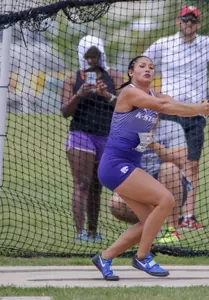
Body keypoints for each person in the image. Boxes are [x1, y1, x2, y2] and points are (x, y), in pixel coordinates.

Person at [92, 56, 209, 280]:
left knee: (149, 221)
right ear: (131, 72)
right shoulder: (129, 93)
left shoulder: (155, 96)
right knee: (166, 200)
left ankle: (105, 257)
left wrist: (202, 109)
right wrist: (199, 107)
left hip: (128, 165)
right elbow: (163, 106)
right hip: (115, 165)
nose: (148, 69)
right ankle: (143, 256)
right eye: (142, 66)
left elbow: (176, 108)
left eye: (151, 67)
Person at [143, 5, 209, 229]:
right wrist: (150, 95)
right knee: (170, 163)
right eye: (185, 20)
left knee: (192, 164)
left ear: (199, 23)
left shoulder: (208, 43)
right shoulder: (163, 44)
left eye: (193, 20)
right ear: (178, 21)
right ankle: (168, 214)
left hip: (196, 112)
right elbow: (142, 67)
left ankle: (188, 216)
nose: (189, 24)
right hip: (170, 112)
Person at [61, 35, 123, 242]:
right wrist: (79, 94)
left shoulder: (113, 76)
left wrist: (106, 94)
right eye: (88, 56)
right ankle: (80, 234)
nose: (91, 60)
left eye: (95, 55)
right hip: (81, 134)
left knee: (97, 185)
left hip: (106, 135)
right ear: (82, 56)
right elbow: (65, 111)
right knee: (81, 184)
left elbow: (124, 106)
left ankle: (93, 232)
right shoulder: (71, 78)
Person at [109, 119, 190, 244]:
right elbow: (119, 163)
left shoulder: (172, 126)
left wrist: (152, 143)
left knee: (170, 169)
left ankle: (172, 230)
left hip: (170, 185)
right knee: (116, 204)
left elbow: (180, 161)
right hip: (139, 183)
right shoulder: (127, 129)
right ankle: (147, 228)